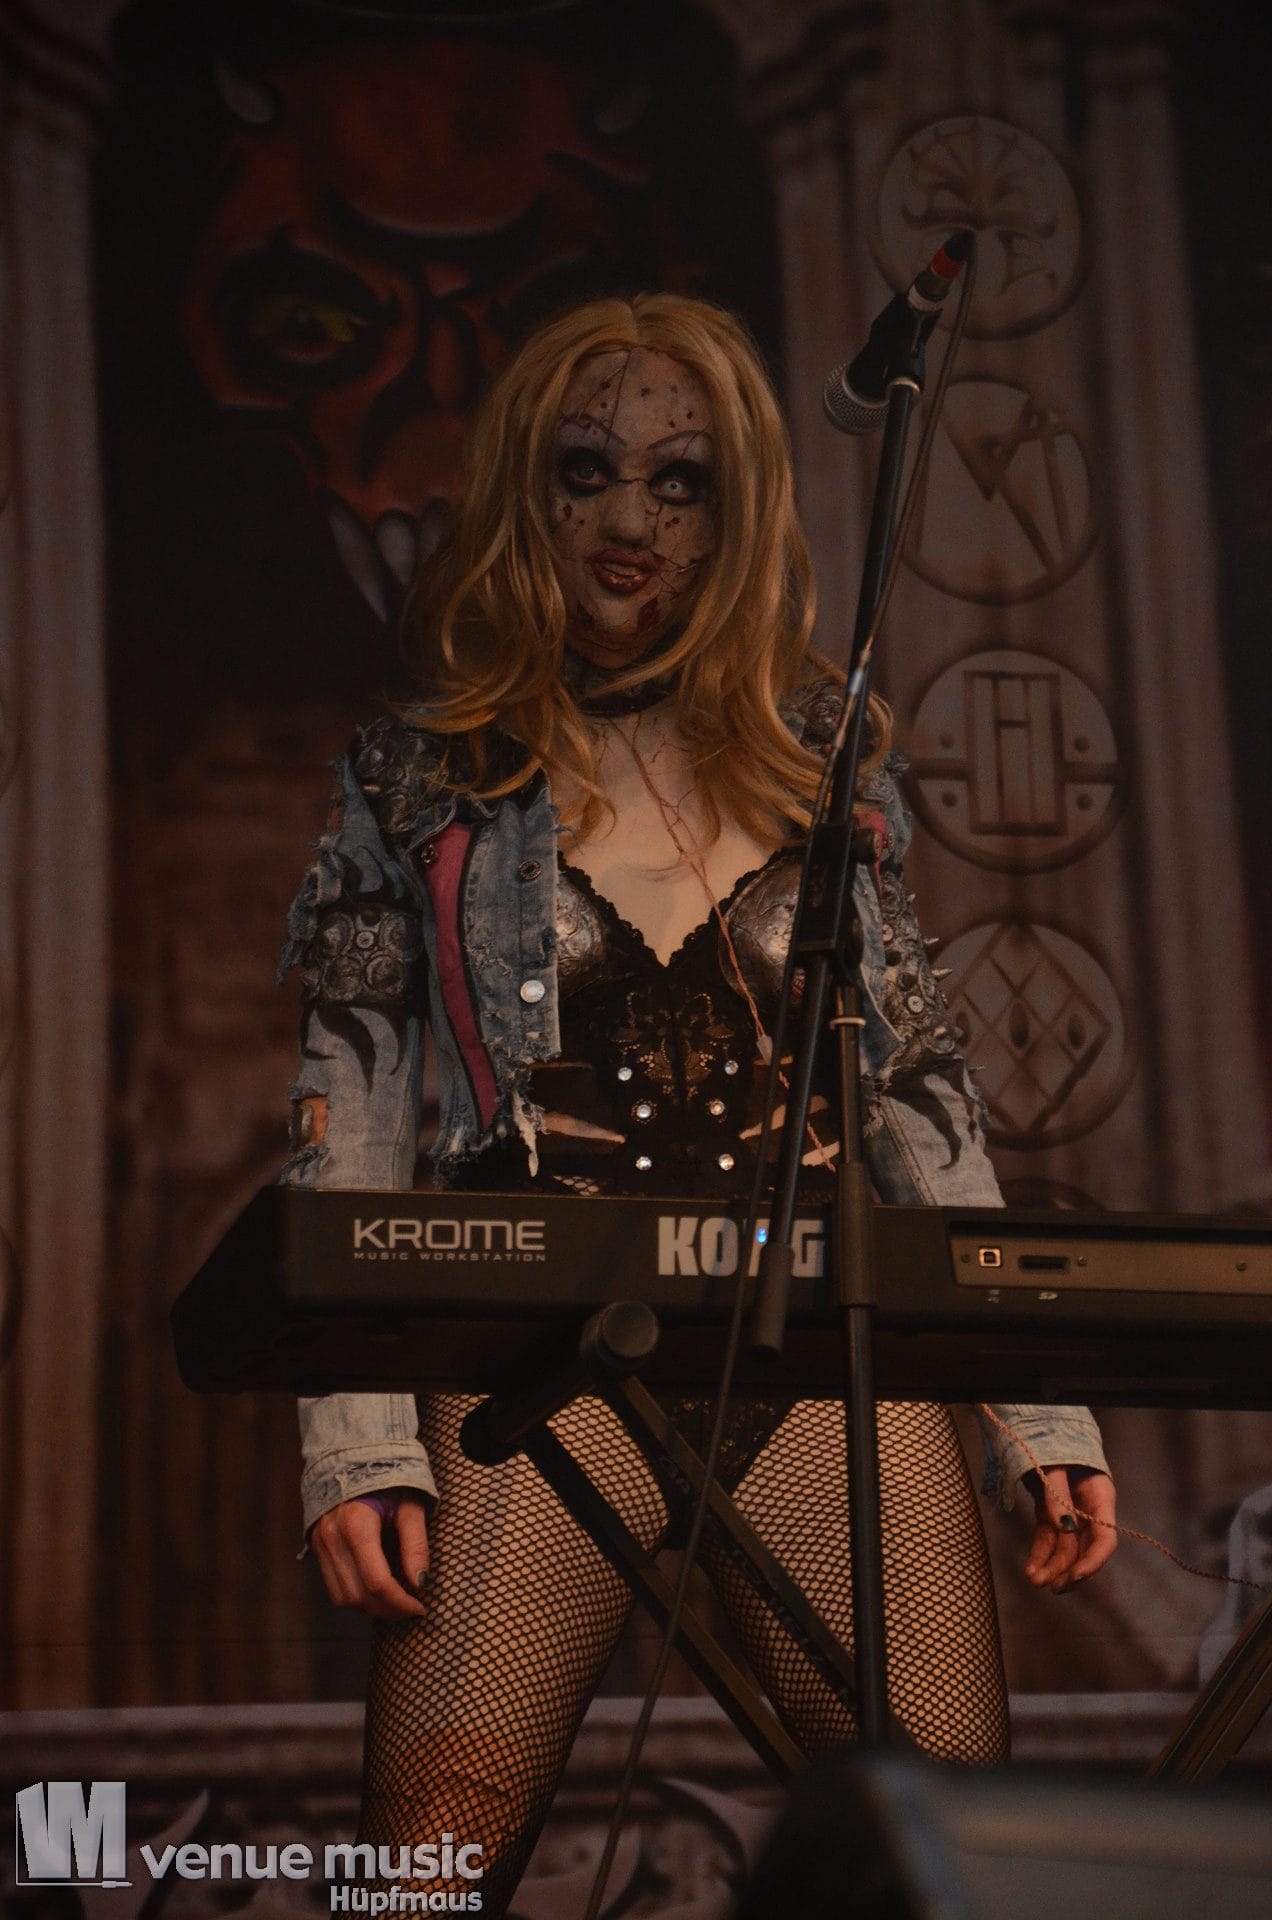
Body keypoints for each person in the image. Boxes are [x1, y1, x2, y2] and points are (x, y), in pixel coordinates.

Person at [279, 293, 1117, 1914]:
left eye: (681, 482)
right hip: (536, 1360)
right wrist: (357, 1436)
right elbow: (349, 1108)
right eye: (585, 469)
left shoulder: (825, 760)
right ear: (522, 486)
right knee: (426, 1876)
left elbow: (918, 1098)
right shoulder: (420, 774)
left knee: (948, 1865)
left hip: (813, 1356)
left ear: (737, 512)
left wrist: (1040, 1411)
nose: (629, 519)